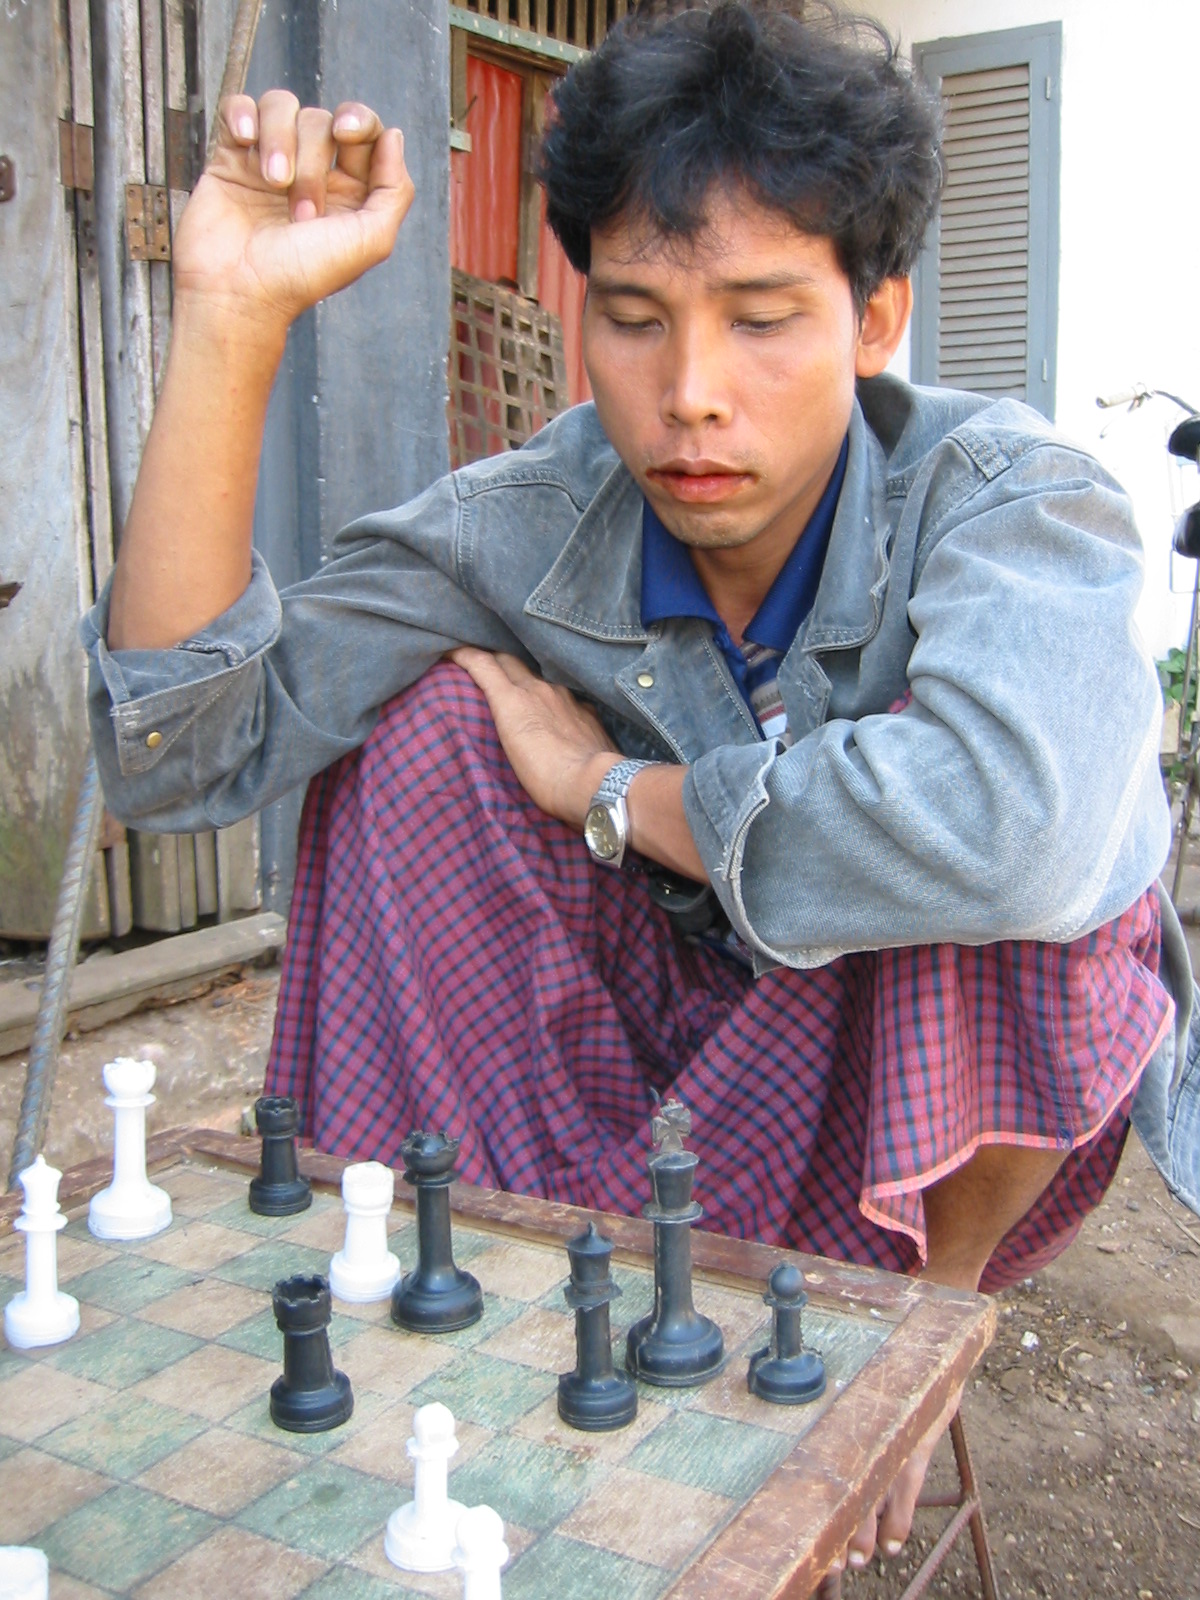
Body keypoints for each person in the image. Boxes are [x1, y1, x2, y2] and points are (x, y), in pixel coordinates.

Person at [82, 0, 1198, 1585]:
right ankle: (482, 1303)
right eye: (633, 317)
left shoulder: (1009, 498)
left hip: (910, 1104)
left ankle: (912, 1330)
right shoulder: (525, 521)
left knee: (1012, 836)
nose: (691, 393)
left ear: (875, 316)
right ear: (579, 312)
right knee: (425, 739)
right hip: (637, 1054)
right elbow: (182, 754)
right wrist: (229, 318)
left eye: (763, 318)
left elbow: (1014, 836)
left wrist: (613, 787)